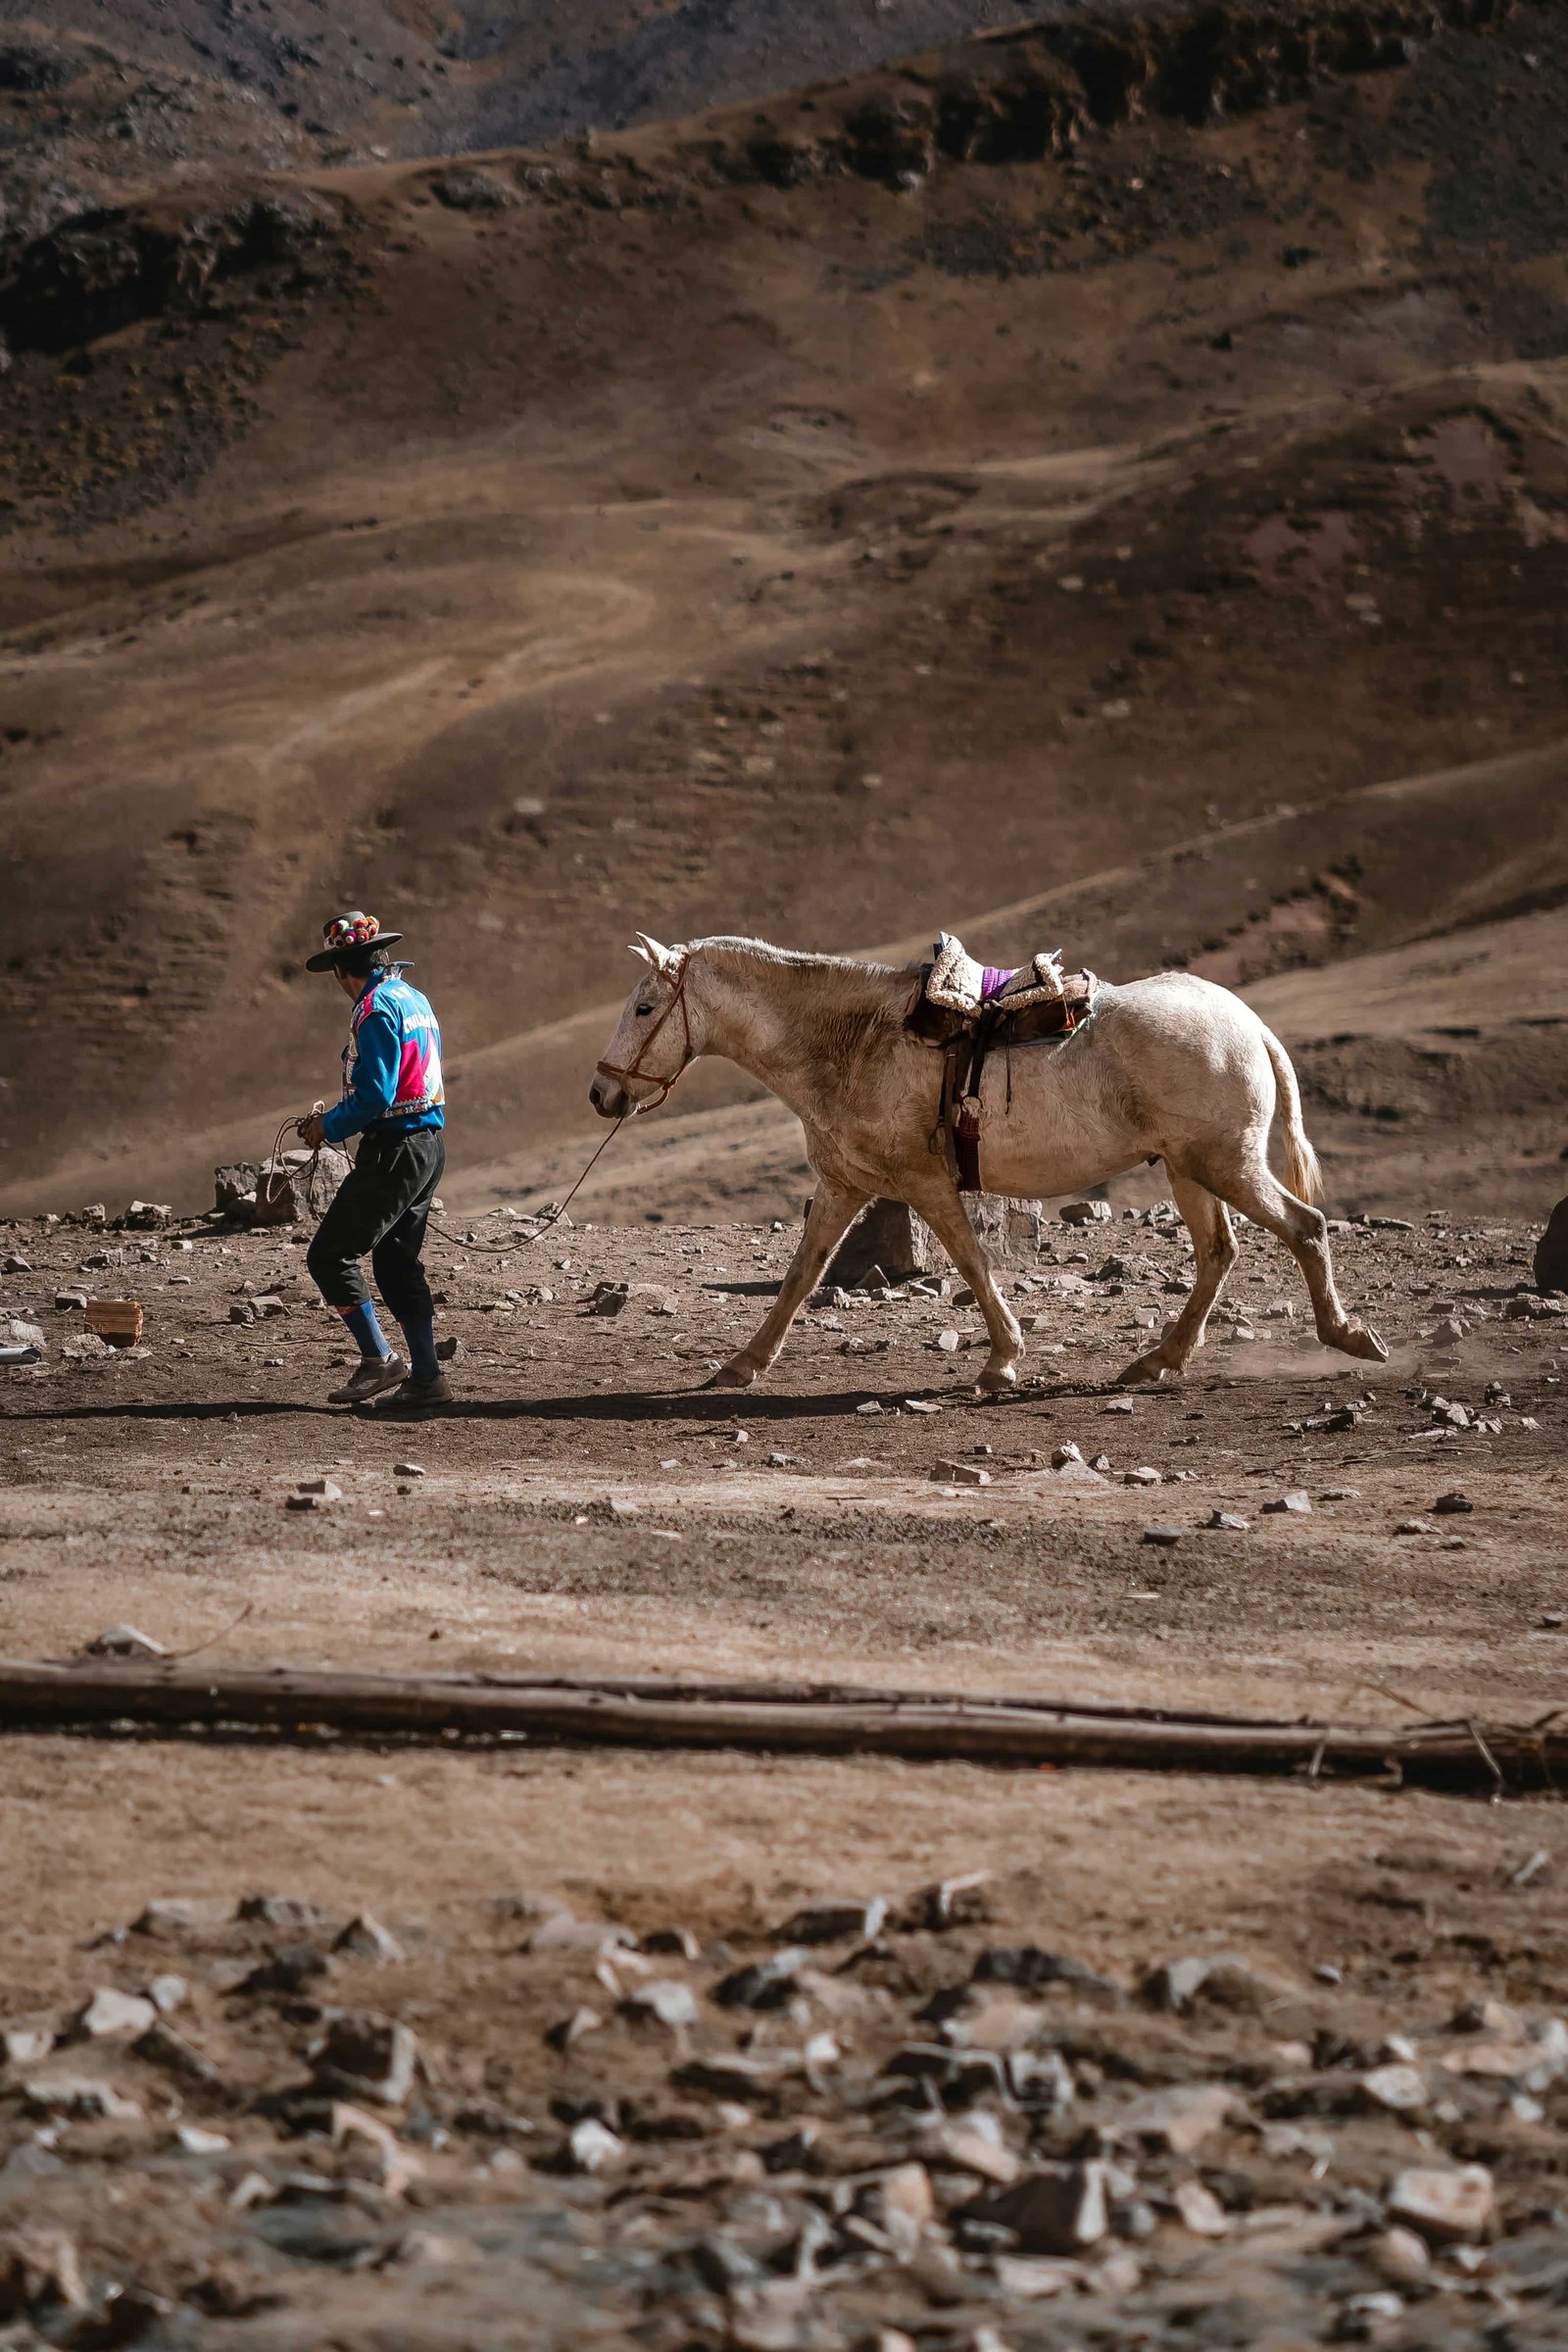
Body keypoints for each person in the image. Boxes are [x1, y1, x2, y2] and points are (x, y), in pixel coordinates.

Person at [297, 911, 451, 1410]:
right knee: (395, 1259)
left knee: (330, 1254)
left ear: (343, 969)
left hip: (395, 1147)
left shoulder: (374, 1008)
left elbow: (377, 1094)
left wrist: (328, 1126)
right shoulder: (413, 998)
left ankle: (378, 1358)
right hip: (428, 1142)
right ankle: (427, 1377)